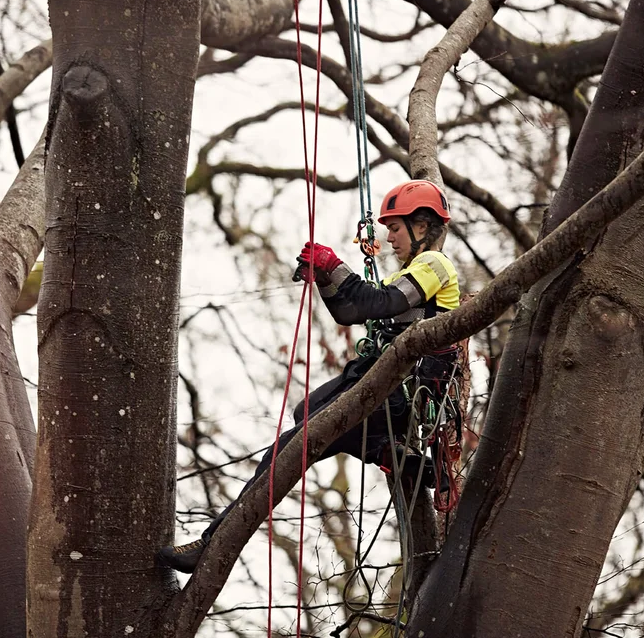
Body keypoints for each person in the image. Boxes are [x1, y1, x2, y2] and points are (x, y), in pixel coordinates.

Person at [159, 180, 461, 573]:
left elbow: (377, 303)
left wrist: (336, 266)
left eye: (395, 228)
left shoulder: (435, 264)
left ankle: (212, 542)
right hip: (378, 383)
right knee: (307, 412)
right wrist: (325, 278)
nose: (389, 238)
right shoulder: (409, 272)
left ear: (421, 226)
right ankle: (390, 453)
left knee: (289, 448)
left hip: (398, 391)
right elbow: (350, 312)